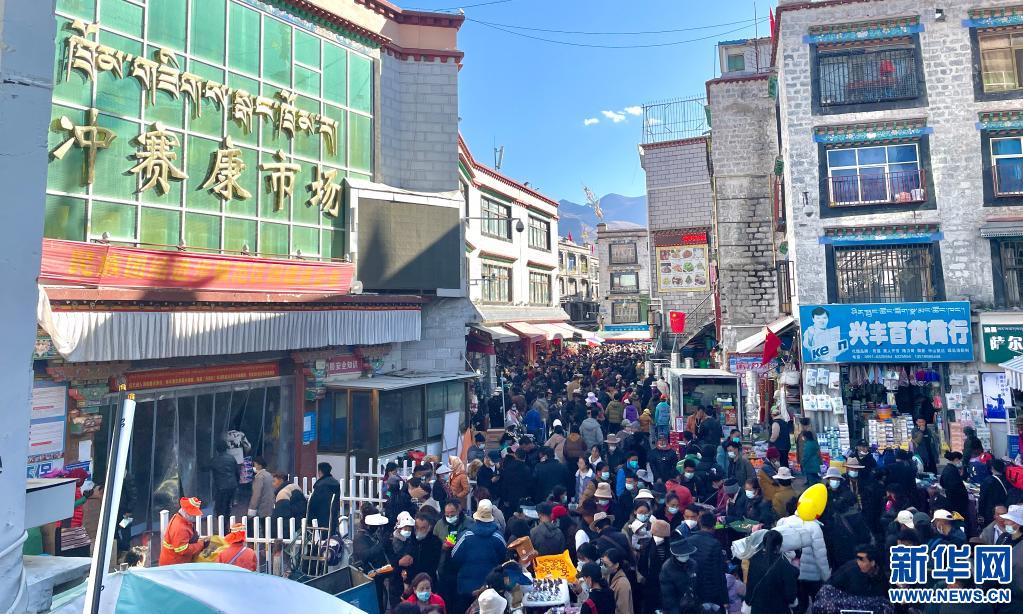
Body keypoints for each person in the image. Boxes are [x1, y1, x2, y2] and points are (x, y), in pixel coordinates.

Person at [451, 500, 507, 614]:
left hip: (467, 588)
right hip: (490, 589)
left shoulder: (466, 536)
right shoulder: (498, 536)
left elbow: (454, 556)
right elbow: (504, 558)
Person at [743, 529, 798, 614]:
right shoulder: (784, 565)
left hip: (757, 609)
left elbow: (750, 586)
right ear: (778, 546)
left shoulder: (754, 560)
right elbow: (790, 596)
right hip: (778, 609)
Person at [687, 511, 728, 611]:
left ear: (700, 524)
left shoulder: (688, 540)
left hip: (692, 589)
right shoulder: (715, 544)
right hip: (710, 592)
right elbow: (719, 573)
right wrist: (725, 599)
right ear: (714, 525)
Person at [353, 509, 391, 612]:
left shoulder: (373, 535)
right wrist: (381, 545)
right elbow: (365, 556)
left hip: (378, 576)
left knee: (380, 605)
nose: (378, 528)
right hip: (368, 578)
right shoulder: (360, 538)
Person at [159, 497, 208, 566]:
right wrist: (201, 544)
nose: (194, 516)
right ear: (185, 512)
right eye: (192, 514)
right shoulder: (180, 527)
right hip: (174, 565)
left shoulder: (181, 519)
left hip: (174, 562)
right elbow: (183, 550)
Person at [638, 519, 671, 614]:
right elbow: (642, 565)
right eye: (656, 535)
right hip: (651, 584)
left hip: (666, 584)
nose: (658, 537)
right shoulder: (647, 546)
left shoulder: (669, 547)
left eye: (661, 536)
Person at [205, 440, 239, 519]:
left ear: (217, 450)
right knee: (227, 505)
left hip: (221, 487)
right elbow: (237, 472)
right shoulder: (232, 458)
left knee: (219, 507)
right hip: (232, 486)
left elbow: (205, 468)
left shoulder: (215, 460)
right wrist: (236, 483)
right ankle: (226, 520)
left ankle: (222, 523)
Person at [980, 459, 1016, 527]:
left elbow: (982, 498)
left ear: (992, 468)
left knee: (992, 528)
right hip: (1005, 509)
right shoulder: (1009, 479)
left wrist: (980, 513)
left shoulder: (987, 481)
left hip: (991, 511)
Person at [308, 462, 341, 531]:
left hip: (320, 519)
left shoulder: (320, 485)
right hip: (332, 517)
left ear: (320, 472)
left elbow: (314, 504)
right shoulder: (336, 484)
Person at [603, 548, 634, 614]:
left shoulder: (623, 584)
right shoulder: (608, 576)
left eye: (606, 564)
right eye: (602, 563)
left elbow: (623, 611)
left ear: (616, 565)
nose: (603, 567)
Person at [940, 451, 970, 520]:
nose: (960, 462)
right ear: (956, 459)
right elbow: (957, 486)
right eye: (960, 460)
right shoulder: (952, 470)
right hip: (957, 501)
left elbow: (942, 482)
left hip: (950, 498)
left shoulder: (946, 468)